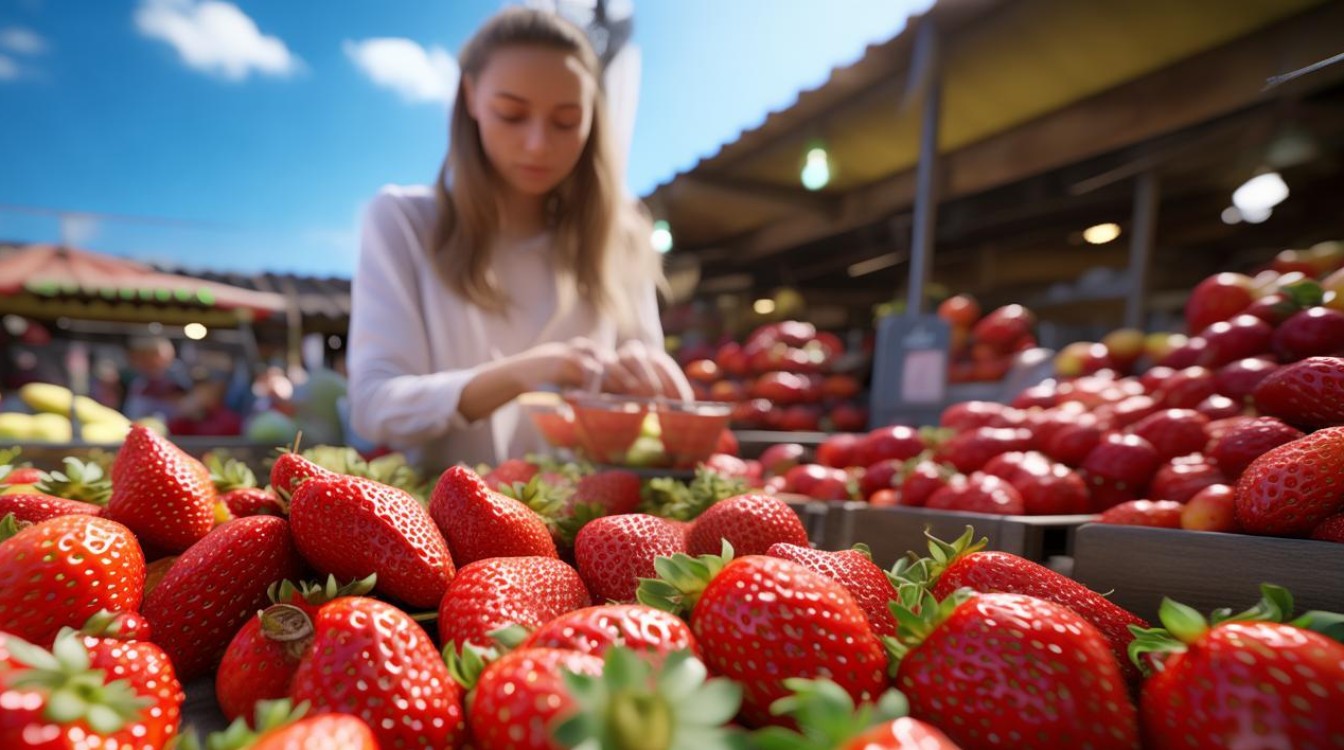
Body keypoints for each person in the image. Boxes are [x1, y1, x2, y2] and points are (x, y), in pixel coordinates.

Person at [348, 6, 692, 471]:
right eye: (511, 115)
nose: (537, 144)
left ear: (593, 118)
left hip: (588, 528)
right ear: (470, 96)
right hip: (449, 532)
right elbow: (373, 406)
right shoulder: (404, 222)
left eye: (566, 121)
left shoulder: (622, 235)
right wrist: (527, 372)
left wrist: (658, 385)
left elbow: (655, 412)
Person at [121, 335, 191, 422]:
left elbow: (183, 402)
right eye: (141, 355)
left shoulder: (178, 374)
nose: (144, 360)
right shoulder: (137, 380)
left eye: (150, 354)